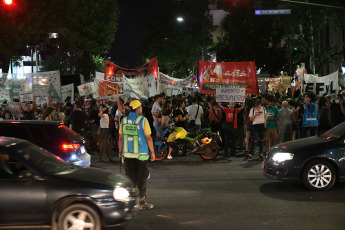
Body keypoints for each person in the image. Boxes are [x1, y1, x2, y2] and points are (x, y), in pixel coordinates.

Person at [118, 100, 156, 210]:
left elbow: (120, 138)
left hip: (128, 154)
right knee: (142, 178)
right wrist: (152, 152)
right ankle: (142, 202)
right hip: (141, 154)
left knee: (130, 179)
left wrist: (120, 152)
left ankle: (130, 203)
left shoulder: (124, 121)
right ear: (138, 109)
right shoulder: (143, 120)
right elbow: (148, 137)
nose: (141, 109)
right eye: (140, 107)